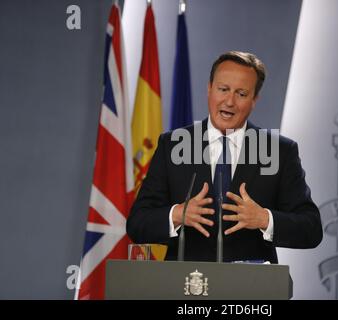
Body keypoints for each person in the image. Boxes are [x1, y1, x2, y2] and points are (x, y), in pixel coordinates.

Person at [126, 51, 322, 263]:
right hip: (186, 287)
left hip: (251, 289)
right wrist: (176, 214)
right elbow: (137, 224)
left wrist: (264, 219)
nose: (229, 101)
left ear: (254, 99)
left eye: (241, 94)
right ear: (209, 89)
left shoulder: (279, 151)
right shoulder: (172, 145)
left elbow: (311, 229)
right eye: (223, 89)